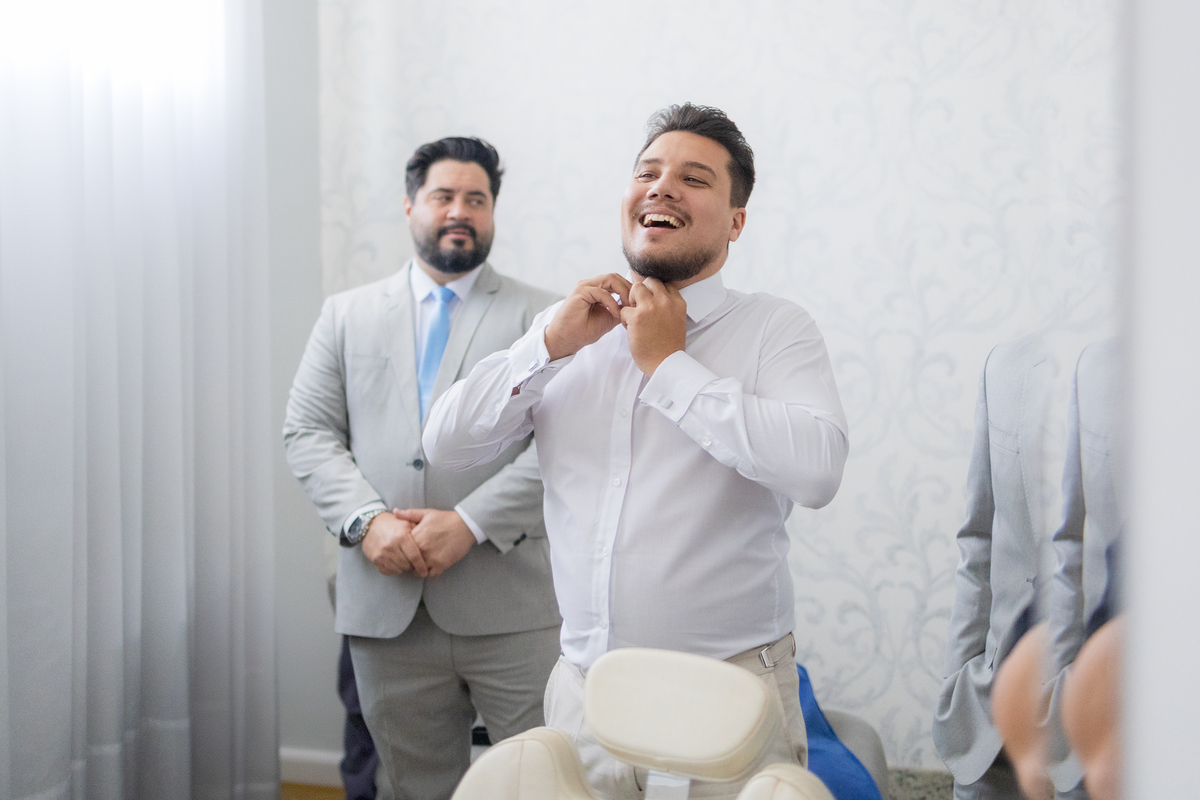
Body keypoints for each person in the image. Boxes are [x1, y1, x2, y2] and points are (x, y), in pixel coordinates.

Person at [423, 104, 849, 799]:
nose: (662, 187)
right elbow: (445, 444)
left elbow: (819, 470)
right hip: (584, 698)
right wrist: (546, 347)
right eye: (647, 173)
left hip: (726, 696)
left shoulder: (775, 329)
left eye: (694, 178)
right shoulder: (570, 332)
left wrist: (669, 366)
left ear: (736, 221)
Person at [284, 137, 561, 800]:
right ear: (410, 206)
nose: (459, 211)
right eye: (444, 196)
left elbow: (564, 449)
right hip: (386, 605)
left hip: (511, 605)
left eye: (477, 199)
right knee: (415, 788)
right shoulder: (345, 315)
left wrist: (469, 522)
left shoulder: (544, 318)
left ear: (492, 212)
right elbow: (308, 432)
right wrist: (368, 522)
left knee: (543, 782)